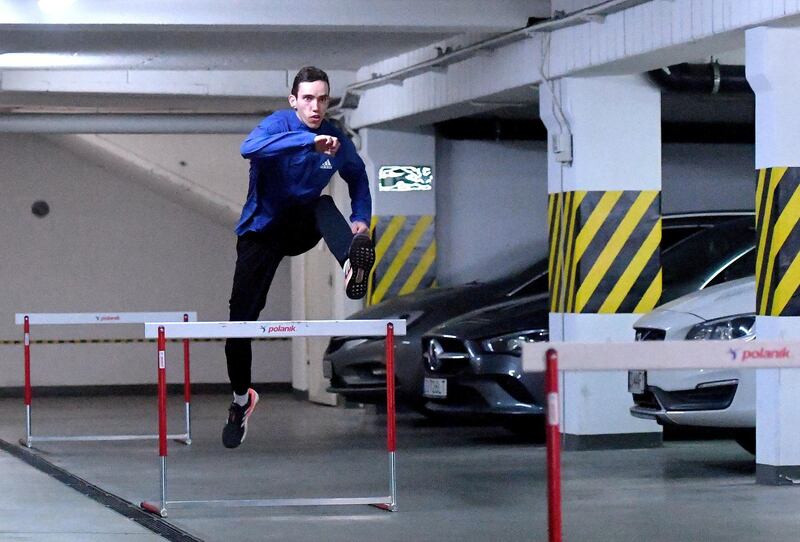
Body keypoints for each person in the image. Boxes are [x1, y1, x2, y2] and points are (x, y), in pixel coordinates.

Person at [222, 66, 375, 449]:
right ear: (294, 101)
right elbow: (248, 149)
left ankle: (351, 262)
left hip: (302, 225)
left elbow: (358, 177)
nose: (316, 106)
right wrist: (308, 144)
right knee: (240, 324)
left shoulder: (338, 137)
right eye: (308, 98)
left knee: (322, 203)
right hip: (261, 232)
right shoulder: (277, 126)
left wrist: (360, 219)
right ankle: (241, 401)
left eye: (322, 99)